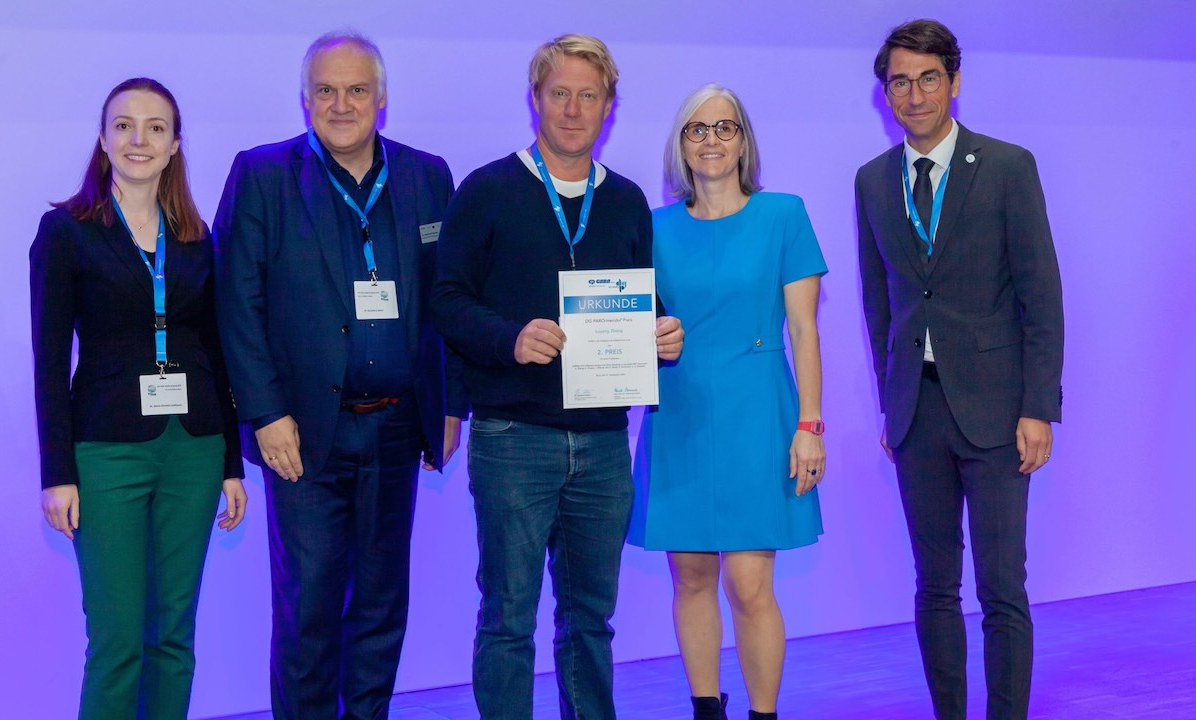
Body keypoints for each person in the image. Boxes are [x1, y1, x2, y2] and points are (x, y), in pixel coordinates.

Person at [213, 30, 464, 720]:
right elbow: (238, 302)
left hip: (396, 427)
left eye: (357, 89)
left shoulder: (427, 176)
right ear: (304, 100)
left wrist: (450, 406)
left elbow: (449, 302)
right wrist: (264, 414)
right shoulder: (262, 175)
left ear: (382, 99)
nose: (341, 103)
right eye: (326, 90)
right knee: (309, 606)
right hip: (303, 434)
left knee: (382, 604)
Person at [432, 33, 684, 720]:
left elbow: (639, 298)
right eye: (559, 94)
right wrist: (509, 338)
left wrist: (664, 330)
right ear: (535, 100)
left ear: (609, 106)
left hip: (604, 443)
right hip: (514, 436)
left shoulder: (628, 201)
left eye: (588, 96)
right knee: (509, 618)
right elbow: (447, 300)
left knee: (590, 622)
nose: (573, 109)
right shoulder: (485, 190)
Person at [855, 19, 1064, 720]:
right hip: (918, 412)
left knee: (1002, 587)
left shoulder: (1007, 166)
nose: (913, 95)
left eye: (928, 78)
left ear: (954, 81)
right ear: (886, 93)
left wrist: (1039, 406)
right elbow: (877, 301)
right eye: (899, 82)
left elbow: (1042, 296)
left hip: (1000, 413)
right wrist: (891, 402)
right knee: (933, 586)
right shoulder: (872, 181)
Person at [30, 77, 247, 720]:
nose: (139, 139)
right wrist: (56, 475)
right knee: (119, 642)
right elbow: (47, 361)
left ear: (176, 144)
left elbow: (216, 352)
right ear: (103, 139)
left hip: (194, 449)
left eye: (156, 127)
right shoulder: (66, 233)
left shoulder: (194, 237)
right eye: (123, 125)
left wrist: (233, 463)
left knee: (172, 637)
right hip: (105, 456)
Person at [628, 84, 827, 720]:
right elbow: (635, 326)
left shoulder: (783, 216)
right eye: (696, 129)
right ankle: (705, 709)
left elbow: (804, 330)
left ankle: (763, 714)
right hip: (679, 413)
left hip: (758, 415)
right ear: (679, 144)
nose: (710, 140)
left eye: (725, 127)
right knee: (690, 577)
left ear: (744, 140)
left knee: (748, 584)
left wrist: (811, 425)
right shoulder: (652, 229)